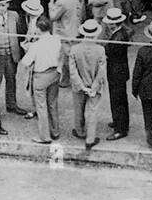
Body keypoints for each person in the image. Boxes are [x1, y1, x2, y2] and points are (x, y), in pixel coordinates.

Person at [21, 15, 65, 143]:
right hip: (54, 73)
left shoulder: (35, 45)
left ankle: (44, 136)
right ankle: (55, 131)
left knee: (41, 107)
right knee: (52, 103)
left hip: (40, 76)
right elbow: (61, 54)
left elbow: (26, 62)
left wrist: (26, 46)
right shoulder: (56, 39)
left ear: (38, 29)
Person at [68, 18, 108, 149]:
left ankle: (79, 130)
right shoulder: (100, 50)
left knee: (78, 108)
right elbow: (102, 71)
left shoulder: (74, 49)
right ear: (95, 33)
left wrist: (81, 86)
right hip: (94, 86)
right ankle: (90, 139)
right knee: (93, 111)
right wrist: (94, 87)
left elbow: (72, 71)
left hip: (78, 86)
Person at [101, 8, 132, 140]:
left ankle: (120, 128)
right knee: (120, 99)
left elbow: (107, 51)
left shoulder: (116, 38)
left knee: (117, 100)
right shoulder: (121, 33)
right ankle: (121, 122)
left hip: (116, 72)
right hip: (120, 70)